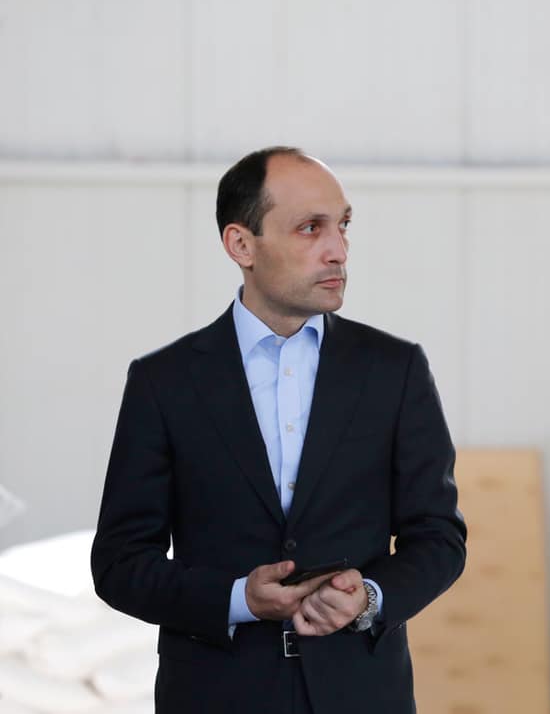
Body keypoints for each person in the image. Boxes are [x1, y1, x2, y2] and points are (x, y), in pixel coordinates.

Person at [91, 146, 467, 713]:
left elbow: (438, 537)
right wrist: (238, 599)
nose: (338, 250)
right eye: (310, 228)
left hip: (360, 696)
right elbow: (119, 564)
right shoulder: (164, 381)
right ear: (241, 245)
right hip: (216, 697)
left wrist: (369, 598)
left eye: (342, 225)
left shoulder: (395, 370)